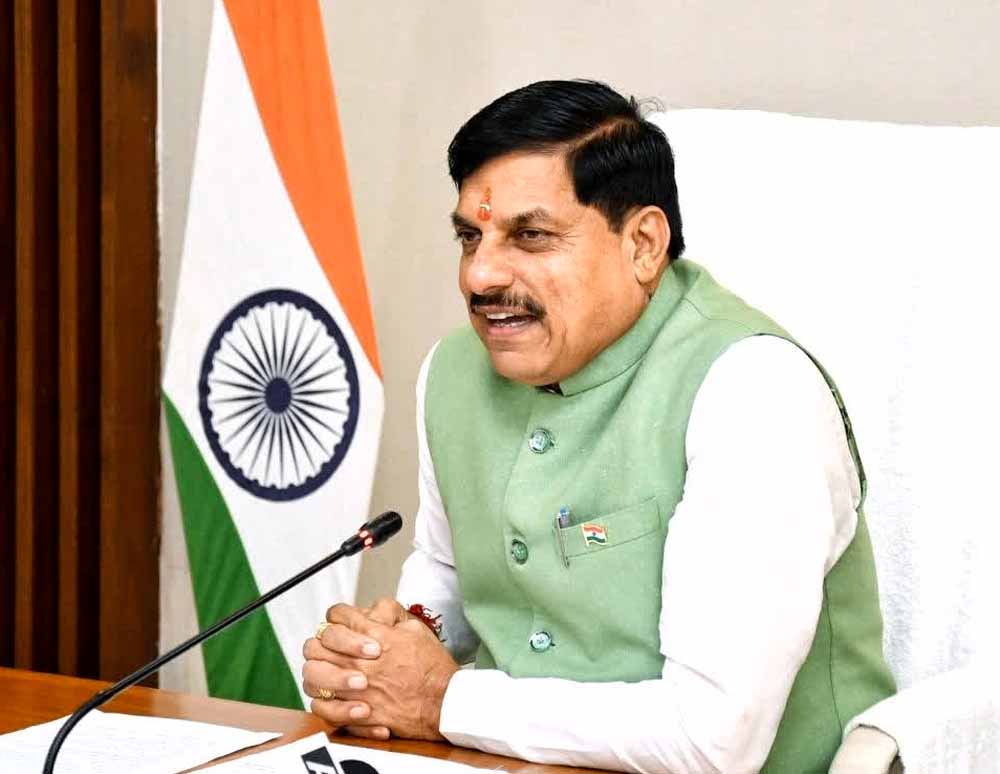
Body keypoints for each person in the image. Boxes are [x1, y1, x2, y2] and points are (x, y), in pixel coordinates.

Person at [301, 79, 895, 773]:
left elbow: (712, 740)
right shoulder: (453, 372)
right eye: (470, 236)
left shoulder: (753, 390)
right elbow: (450, 571)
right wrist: (382, 657)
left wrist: (440, 700)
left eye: (530, 236)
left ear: (643, 244)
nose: (480, 276)